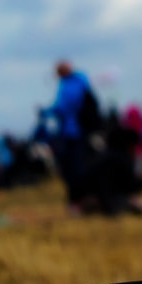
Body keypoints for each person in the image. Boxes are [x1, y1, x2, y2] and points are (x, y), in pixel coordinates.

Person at [43, 60, 98, 213]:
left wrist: (47, 112)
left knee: (73, 169)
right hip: (76, 132)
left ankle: (78, 201)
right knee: (76, 168)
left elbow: (64, 107)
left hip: (74, 133)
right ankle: (80, 201)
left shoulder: (71, 84)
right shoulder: (79, 82)